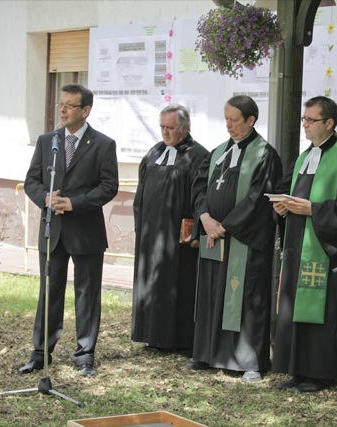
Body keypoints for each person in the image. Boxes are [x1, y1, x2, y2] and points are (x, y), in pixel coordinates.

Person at [19, 83, 119, 377]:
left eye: (69, 105)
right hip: (53, 230)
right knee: (49, 292)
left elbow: (109, 186)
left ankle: (85, 355)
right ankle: (40, 353)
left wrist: (75, 203)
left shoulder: (103, 144)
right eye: (60, 104)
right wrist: (46, 198)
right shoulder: (46, 141)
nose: (62, 110)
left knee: (87, 294)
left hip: (86, 231)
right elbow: (31, 181)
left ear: (85, 110)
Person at [271, 96, 337, 392]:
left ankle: (319, 374)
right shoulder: (304, 156)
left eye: (311, 120)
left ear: (329, 123)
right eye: (304, 119)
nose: (305, 125)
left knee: (320, 311)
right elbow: (285, 188)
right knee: (294, 306)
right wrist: (282, 205)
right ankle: (296, 370)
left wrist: (313, 210)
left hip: (324, 249)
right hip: (297, 243)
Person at [188, 95, 282, 382]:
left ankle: (248, 360)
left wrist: (225, 226)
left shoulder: (265, 155)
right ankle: (208, 353)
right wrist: (205, 218)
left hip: (244, 240)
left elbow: (258, 198)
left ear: (251, 120)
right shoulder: (218, 152)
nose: (228, 125)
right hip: (214, 237)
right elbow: (199, 187)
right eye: (226, 119)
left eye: (234, 120)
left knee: (245, 297)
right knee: (212, 294)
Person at [131, 104, 208, 352]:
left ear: (185, 129)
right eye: (162, 127)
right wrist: (139, 224)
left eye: (170, 128)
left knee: (178, 284)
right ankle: (152, 336)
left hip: (178, 237)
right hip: (150, 234)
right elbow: (141, 194)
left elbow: (202, 198)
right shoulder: (154, 153)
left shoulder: (199, 156)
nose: (165, 132)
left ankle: (178, 340)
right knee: (150, 282)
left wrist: (196, 231)